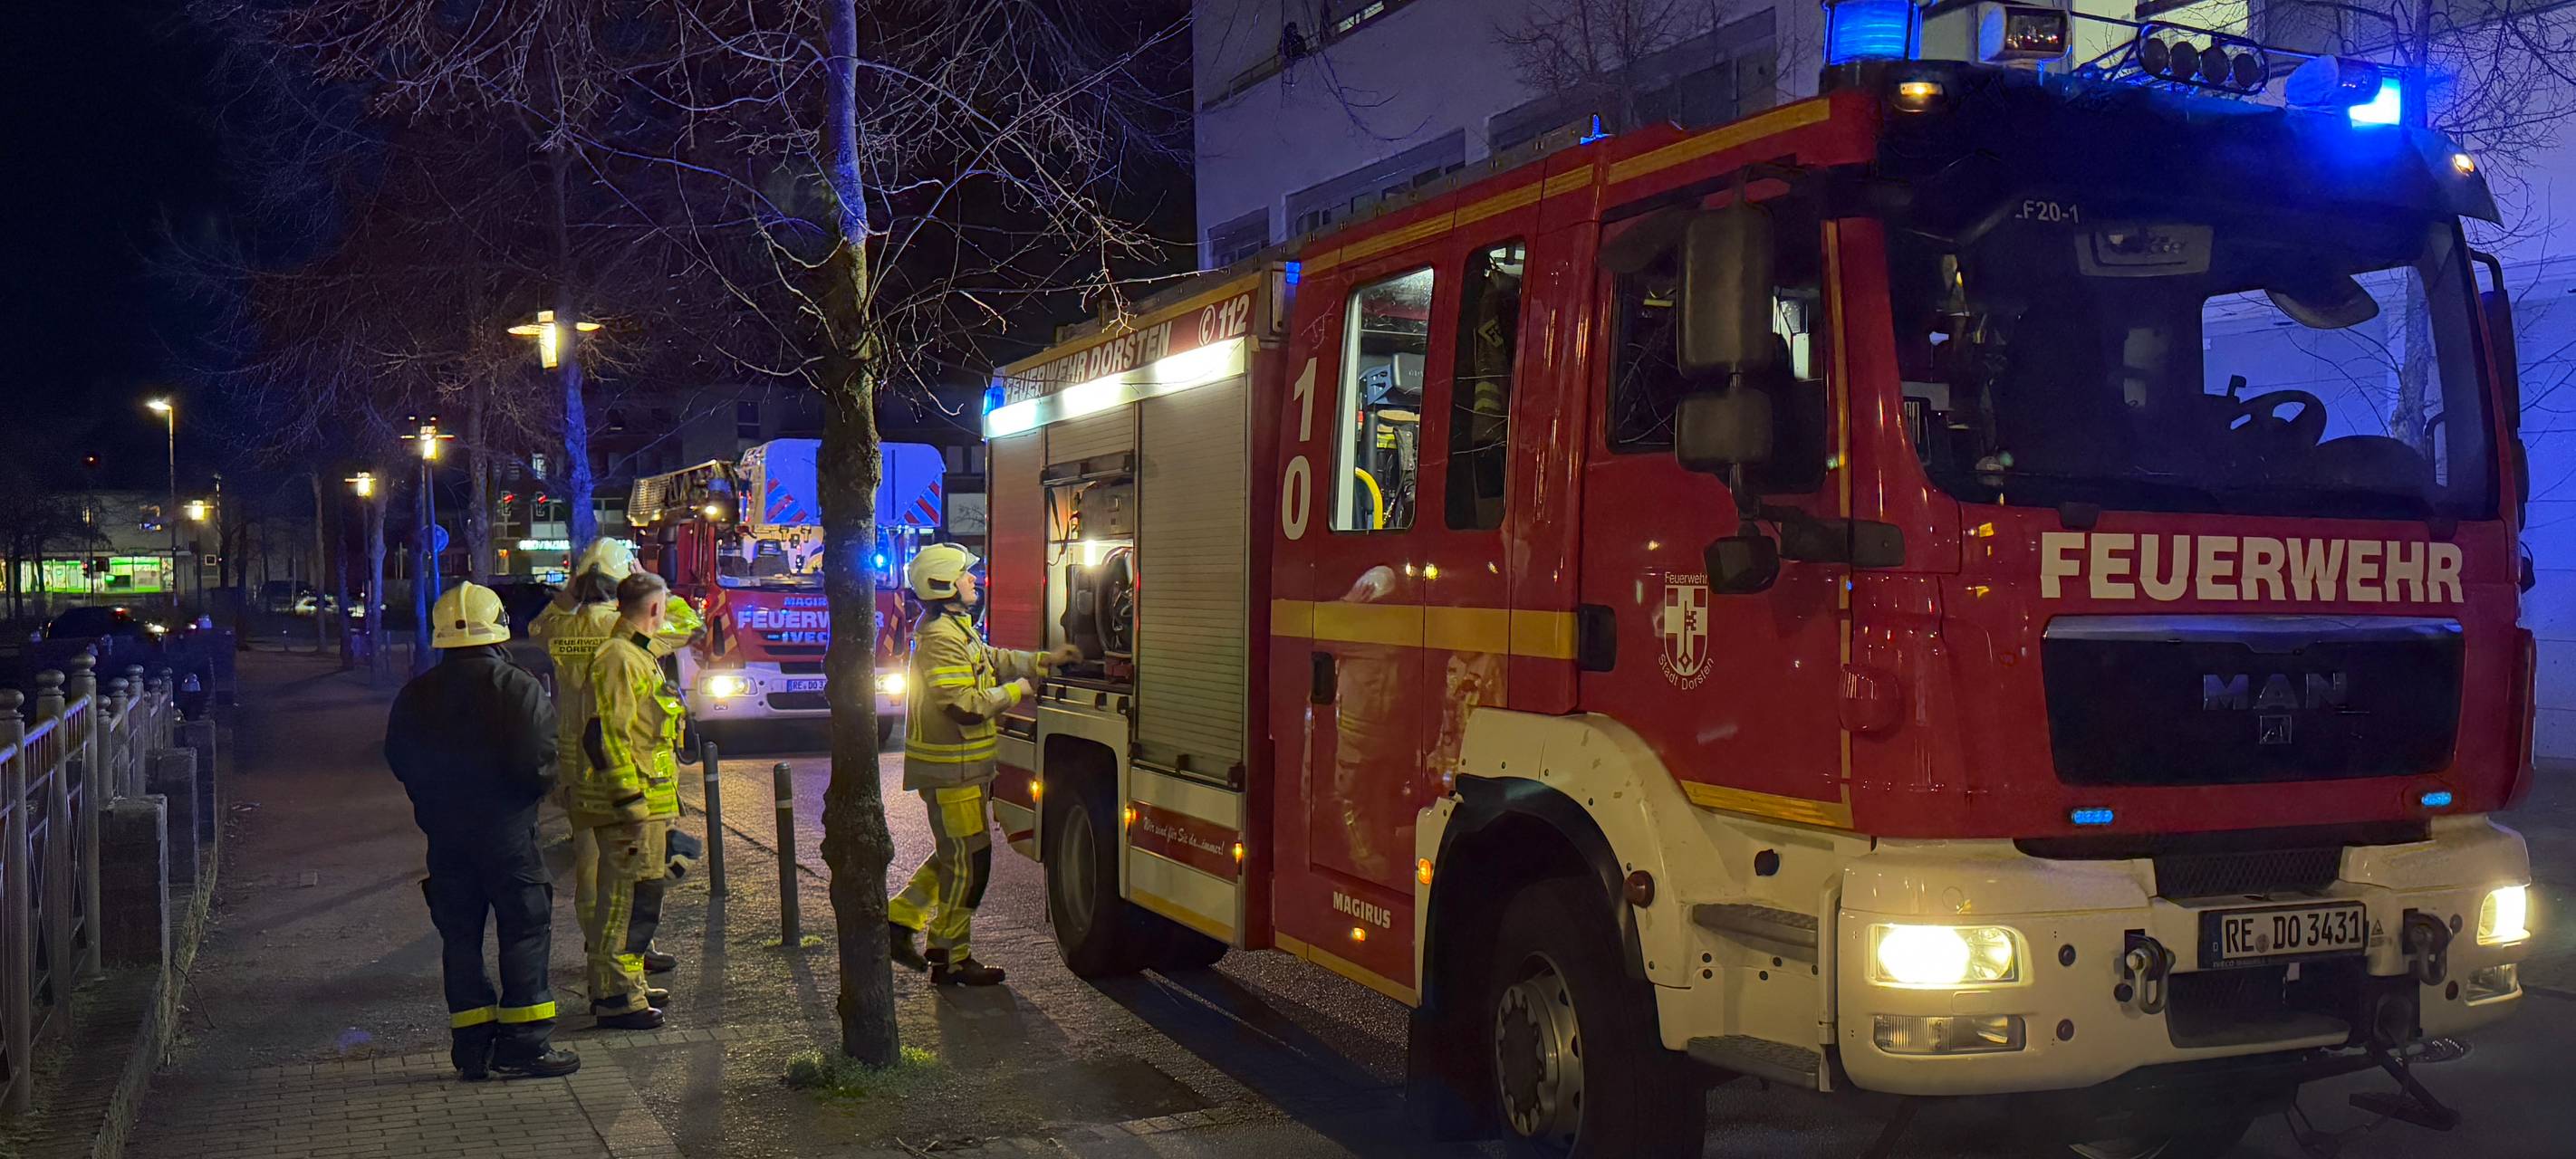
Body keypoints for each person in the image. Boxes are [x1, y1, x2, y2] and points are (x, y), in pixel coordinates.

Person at [383, 582, 581, 1080]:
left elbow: (399, 759)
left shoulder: (416, 693)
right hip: (508, 833)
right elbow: (540, 762)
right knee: (525, 930)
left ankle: (471, 1049)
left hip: (446, 838)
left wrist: (434, 802)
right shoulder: (517, 687)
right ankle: (525, 1045)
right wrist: (520, 800)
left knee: (460, 938)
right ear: (499, 631)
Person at [889, 543, 1079, 986]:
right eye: (965, 575)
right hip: (950, 774)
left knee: (956, 858)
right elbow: (965, 707)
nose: (974, 579)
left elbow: (992, 659)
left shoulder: (956, 628)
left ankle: (899, 920)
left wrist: (1042, 661)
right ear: (943, 585)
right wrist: (1018, 692)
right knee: (970, 864)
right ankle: (950, 958)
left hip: (965, 771)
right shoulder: (939, 640)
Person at [533, 540, 698, 979]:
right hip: (619, 758)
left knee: (590, 862)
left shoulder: (562, 628)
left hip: (573, 754)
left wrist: (569, 594)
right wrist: (646, 582)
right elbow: (687, 623)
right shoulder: (622, 628)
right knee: (628, 872)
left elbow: (540, 625)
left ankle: (598, 946)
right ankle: (620, 957)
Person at [576, 570, 688, 1028]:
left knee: (641, 899)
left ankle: (628, 984)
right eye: (664, 606)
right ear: (656, 609)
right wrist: (629, 803)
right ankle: (616, 998)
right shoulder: (620, 657)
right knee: (624, 903)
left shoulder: (638, 654)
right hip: (632, 808)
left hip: (647, 804)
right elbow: (607, 736)